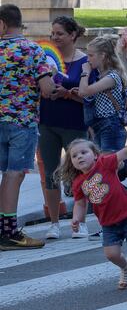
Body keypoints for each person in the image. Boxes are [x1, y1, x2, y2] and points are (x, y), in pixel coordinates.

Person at [58, 136, 127, 291]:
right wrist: (77, 219)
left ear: (95, 154)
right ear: (71, 162)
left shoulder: (105, 164)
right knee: (111, 254)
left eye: (83, 152)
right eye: (74, 156)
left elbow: (126, 152)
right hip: (108, 223)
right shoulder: (78, 183)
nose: (79, 156)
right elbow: (80, 204)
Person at [0, 4, 57, 249]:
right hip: (21, 122)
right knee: (15, 174)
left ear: (2, 24)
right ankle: (9, 232)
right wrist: (52, 76)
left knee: (5, 175)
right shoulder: (33, 50)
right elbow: (47, 89)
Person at [36, 16, 89, 240]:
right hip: (46, 122)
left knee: (80, 172)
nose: (54, 37)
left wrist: (67, 93)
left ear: (73, 35)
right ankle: (54, 223)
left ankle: (81, 222)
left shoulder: (85, 61)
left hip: (74, 124)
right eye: (53, 33)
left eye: (59, 33)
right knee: (50, 173)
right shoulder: (44, 58)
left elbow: (89, 97)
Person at [77, 35, 127, 153]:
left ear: (102, 56)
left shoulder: (112, 77)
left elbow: (83, 92)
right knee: (101, 166)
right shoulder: (100, 75)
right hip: (99, 125)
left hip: (110, 126)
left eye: (91, 55)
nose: (88, 59)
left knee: (109, 165)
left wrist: (85, 72)